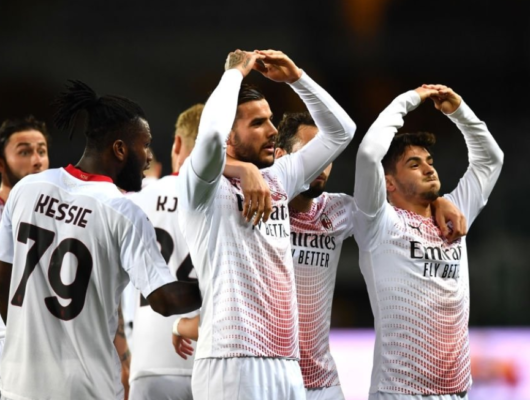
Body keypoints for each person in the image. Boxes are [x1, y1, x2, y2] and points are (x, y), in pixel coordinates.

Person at [0, 81, 201, 400]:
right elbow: (164, 300)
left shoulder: (26, 190)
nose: (149, 157)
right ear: (120, 149)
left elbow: (4, 281)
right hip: (85, 389)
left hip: (17, 386)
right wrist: (219, 287)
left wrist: (28, 340)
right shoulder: (123, 212)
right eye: (145, 145)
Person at [176, 49, 356, 400]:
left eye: (270, 120)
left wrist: (297, 78)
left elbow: (341, 132)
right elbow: (209, 139)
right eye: (257, 123)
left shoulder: (280, 178)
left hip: (286, 362)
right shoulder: (201, 186)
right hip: (232, 359)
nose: (273, 131)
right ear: (229, 136)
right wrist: (234, 74)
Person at [353, 84, 503, 399]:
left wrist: (460, 112)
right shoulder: (378, 222)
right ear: (388, 183)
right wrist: (410, 99)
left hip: (456, 390)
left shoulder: (454, 213)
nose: (428, 168)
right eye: (414, 164)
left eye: (429, 160)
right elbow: (368, 154)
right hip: (399, 390)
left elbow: (490, 160)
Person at [128, 103, 204, 400]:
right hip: (214, 360)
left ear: (177, 144)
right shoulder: (229, 200)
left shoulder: (138, 199)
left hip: (149, 360)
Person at [0, 116, 50, 393]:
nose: (37, 161)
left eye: (42, 151)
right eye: (24, 152)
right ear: (1, 164)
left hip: (50, 349)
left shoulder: (66, 219)